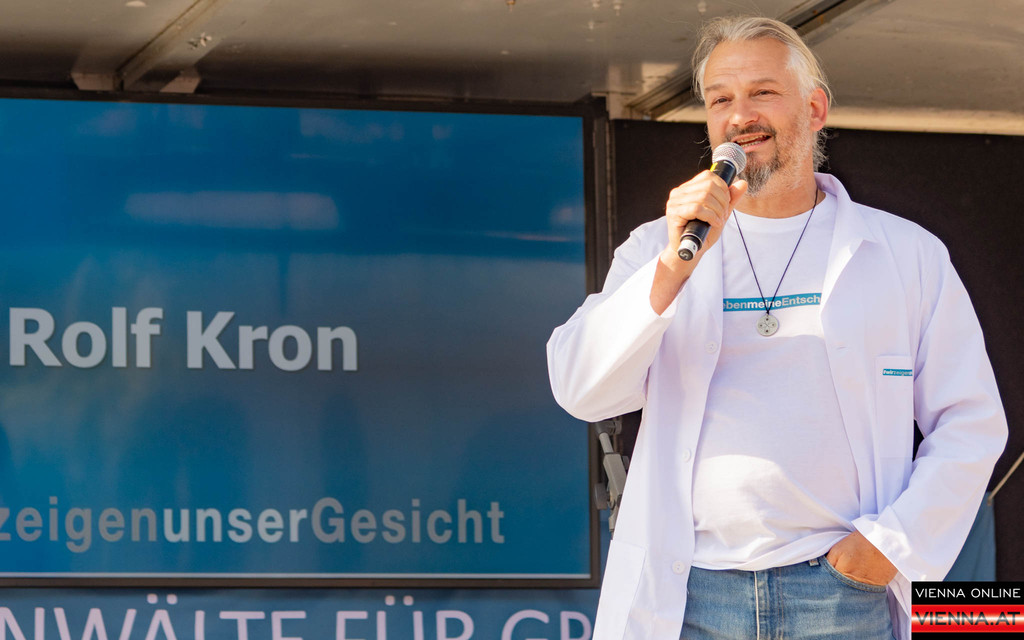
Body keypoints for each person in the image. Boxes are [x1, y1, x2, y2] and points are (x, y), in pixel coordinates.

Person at [546, 15, 1007, 640]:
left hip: (843, 595)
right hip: (689, 595)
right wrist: (669, 272)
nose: (740, 116)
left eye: (762, 92)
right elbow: (581, 390)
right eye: (720, 100)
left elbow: (971, 422)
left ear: (814, 108)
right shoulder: (659, 247)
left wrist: (886, 549)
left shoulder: (905, 253)